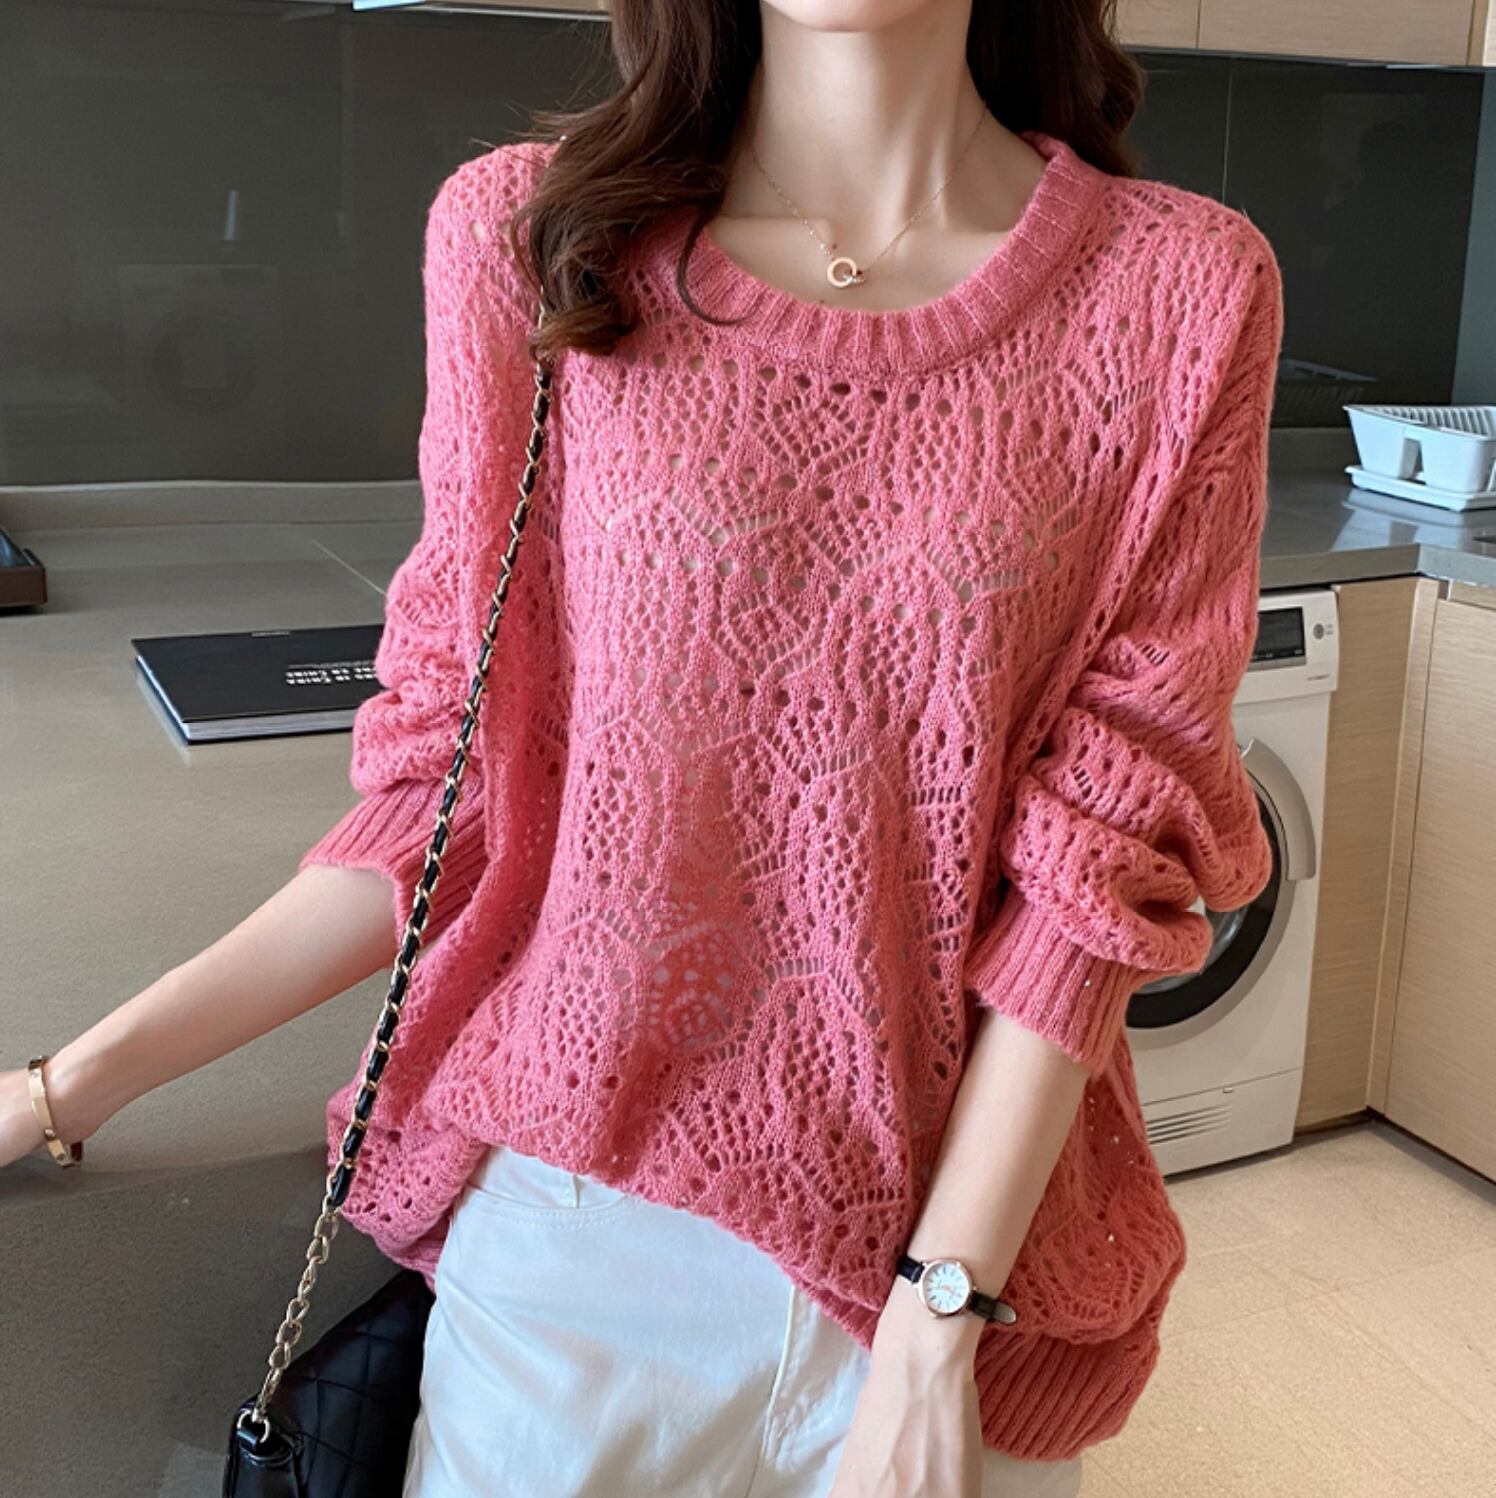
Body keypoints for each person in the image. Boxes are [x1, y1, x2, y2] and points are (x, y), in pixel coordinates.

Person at [3, 1, 1285, 1494]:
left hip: (956, 1287)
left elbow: (1100, 864)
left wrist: (937, 1322)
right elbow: (448, 797)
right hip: (578, 1264)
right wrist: (62, 1087)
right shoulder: (538, 238)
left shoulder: (1182, 288)